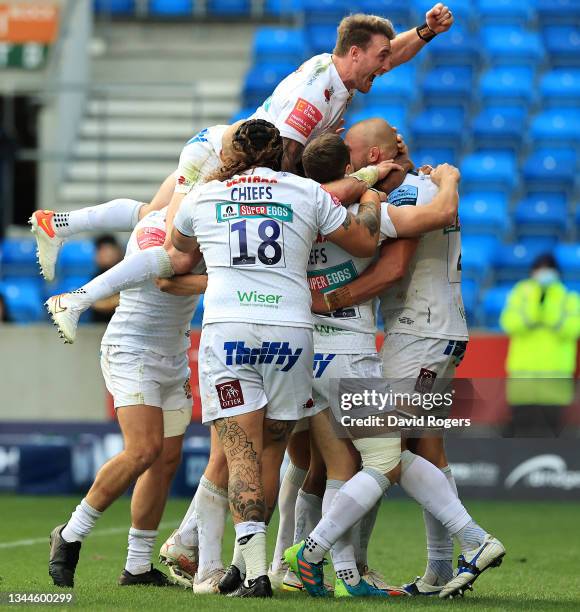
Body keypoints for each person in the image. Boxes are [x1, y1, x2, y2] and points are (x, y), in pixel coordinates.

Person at [36, 5, 455, 328]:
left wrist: (425, 32)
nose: (386, 66)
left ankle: (59, 223)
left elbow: (391, 52)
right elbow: (282, 161)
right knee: (176, 258)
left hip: (217, 146)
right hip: (222, 161)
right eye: (379, 58)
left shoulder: (336, 73)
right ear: (356, 53)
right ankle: (76, 299)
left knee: (151, 214)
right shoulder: (314, 96)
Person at [164, 118, 388, 598]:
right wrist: (370, 196)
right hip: (291, 331)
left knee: (239, 451)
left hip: (228, 332)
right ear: (280, 154)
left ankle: (254, 570)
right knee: (272, 449)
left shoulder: (204, 197)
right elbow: (365, 240)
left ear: (233, 155)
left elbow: (177, 256)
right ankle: (252, 570)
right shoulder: (305, 194)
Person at [284, 120, 506, 601]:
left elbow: (393, 266)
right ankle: (438, 567)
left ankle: (322, 555)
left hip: (417, 333)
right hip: (431, 331)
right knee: (416, 448)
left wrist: (325, 300)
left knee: (381, 454)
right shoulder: (399, 195)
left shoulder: (366, 204)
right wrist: (442, 178)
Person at [48, 207, 203, 588]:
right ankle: (70, 533)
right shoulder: (157, 226)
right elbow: (165, 278)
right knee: (144, 449)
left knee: (165, 460)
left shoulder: (204, 218)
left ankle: (136, 566)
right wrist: (226, 280)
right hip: (131, 349)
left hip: (174, 354)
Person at [500, 253, 580, 437]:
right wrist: (534, 313)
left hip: (555, 376)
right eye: (539, 268)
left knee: (550, 431)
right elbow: (508, 322)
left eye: (548, 268)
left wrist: (549, 316)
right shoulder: (521, 294)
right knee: (520, 427)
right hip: (523, 375)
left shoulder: (569, 297)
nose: (543, 273)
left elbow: (575, 328)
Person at [91, 235, 123, 323]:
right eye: (100, 250)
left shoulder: (128, 274)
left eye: (108, 249)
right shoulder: (96, 277)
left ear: (118, 251)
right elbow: (93, 303)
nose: (104, 254)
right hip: (99, 327)